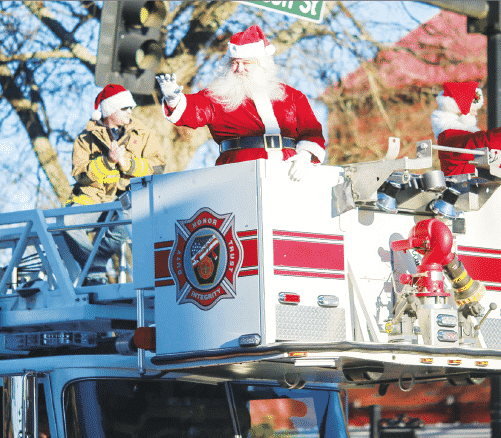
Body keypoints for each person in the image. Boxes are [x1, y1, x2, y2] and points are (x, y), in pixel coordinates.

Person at [155, 25, 325, 181]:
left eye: (246, 63)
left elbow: (311, 131)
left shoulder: (292, 96)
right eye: (234, 63)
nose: (239, 69)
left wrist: (305, 156)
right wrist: (173, 99)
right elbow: (194, 110)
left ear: (262, 64)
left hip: (288, 171)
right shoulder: (219, 95)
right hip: (237, 172)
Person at [65, 84, 165, 285]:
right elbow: (79, 175)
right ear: (109, 111)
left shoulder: (144, 134)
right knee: (68, 223)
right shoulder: (85, 139)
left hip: (127, 201)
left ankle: (96, 264)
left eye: (131, 107)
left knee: (128, 217)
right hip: (92, 200)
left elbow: (159, 168)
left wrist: (129, 163)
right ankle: (95, 269)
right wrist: (107, 161)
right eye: (125, 108)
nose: (131, 111)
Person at [431, 81, 501, 176]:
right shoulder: (451, 135)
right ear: (458, 111)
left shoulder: (454, 135)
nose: (475, 113)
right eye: (472, 109)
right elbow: (489, 141)